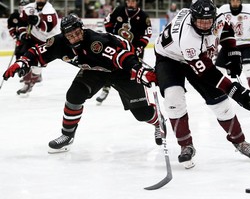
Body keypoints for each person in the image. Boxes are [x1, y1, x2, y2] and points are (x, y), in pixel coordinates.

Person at [3, 14, 165, 153]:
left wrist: (140, 70)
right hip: (94, 70)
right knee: (74, 95)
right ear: (64, 35)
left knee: (142, 114)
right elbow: (37, 51)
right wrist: (22, 62)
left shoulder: (97, 42)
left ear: (82, 29)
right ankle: (67, 135)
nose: (75, 38)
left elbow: (122, 58)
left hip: (121, 70)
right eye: (70, 35)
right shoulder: (59, 43)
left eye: (77, 33)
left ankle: (159, 122)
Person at [154, 0, 250, 169]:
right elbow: (208, 73)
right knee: (174, 99)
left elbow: (226, 29)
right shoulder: (187, 37)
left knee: (221, 103)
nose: (205, 25)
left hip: (198, 56)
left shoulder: (218, 18)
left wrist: (232, 53)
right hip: (170, 59)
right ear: (192, 18)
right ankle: (185, 145)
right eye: (200, 21)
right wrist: (236, 91)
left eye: (208, 20)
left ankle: (239, 141)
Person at [95, 0, 152, 105]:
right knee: (109, 66)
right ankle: (106, 88)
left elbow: (147, 34)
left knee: (134, 72)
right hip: (118, 46)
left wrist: (139, 47)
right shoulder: (119, 10)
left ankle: (138, 97)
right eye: (128, 0)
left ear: (137, 2)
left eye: (133, 1)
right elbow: (108, 21)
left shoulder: (143, 16)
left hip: (134, 49)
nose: (130, 3)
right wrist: (111, 36)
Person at [17, 0, 60, 95]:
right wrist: (22, 34)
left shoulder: (50, 11)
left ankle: (33, 80)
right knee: (24, 58)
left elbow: (49, 27)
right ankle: (28, 81)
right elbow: (22, 22)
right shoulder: (29, 8)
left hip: (48, 41)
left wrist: (37, 22)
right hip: (34, 38)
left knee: (37, 64)